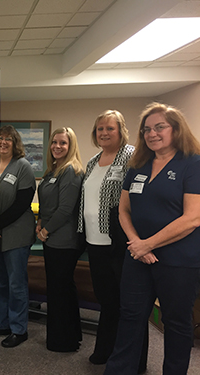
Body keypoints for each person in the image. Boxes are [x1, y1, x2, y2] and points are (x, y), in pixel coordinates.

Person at [104, 103, 200, 375]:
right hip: (138, 257)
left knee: (176, 322)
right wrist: (137, 243)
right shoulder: (139, 165)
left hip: (179, 261)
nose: (152, 133)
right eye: (147, 129)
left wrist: (149, 243)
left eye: (160, 127)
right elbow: (123, 209)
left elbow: (193, 217)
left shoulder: (193, 163)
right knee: (131, 317)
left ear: (176, 129)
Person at [77, 110, 148, 371]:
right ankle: (106, 348)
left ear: (121, 131)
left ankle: (134, 359)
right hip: (95, 241)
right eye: (100, 129)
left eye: (110, 128)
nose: (104, 133)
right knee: (106, 300)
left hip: (120, 241)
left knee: (129, 303)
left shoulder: (131, 157)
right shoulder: (93, 160)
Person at [0, 125, 36, 348]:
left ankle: (19, 329)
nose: (3, 142)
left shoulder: (23, 167)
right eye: (0, 139)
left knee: (16, 284)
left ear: (15, 143)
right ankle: (2, 324)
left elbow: (22, 204)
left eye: (8, 139)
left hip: (15, 234)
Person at [36, 127, 84, 352]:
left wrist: (45, 231)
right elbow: (47, 206)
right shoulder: (51, 171)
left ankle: (63, 341)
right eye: (54, 142)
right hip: (51, 238)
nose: (57, 146)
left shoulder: (71, 171)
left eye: (63, 143)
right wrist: (40, 224)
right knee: (60, 289)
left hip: (63, 240)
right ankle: (70, 335)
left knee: (60, 290)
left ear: (71, 145)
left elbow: (66, 209)